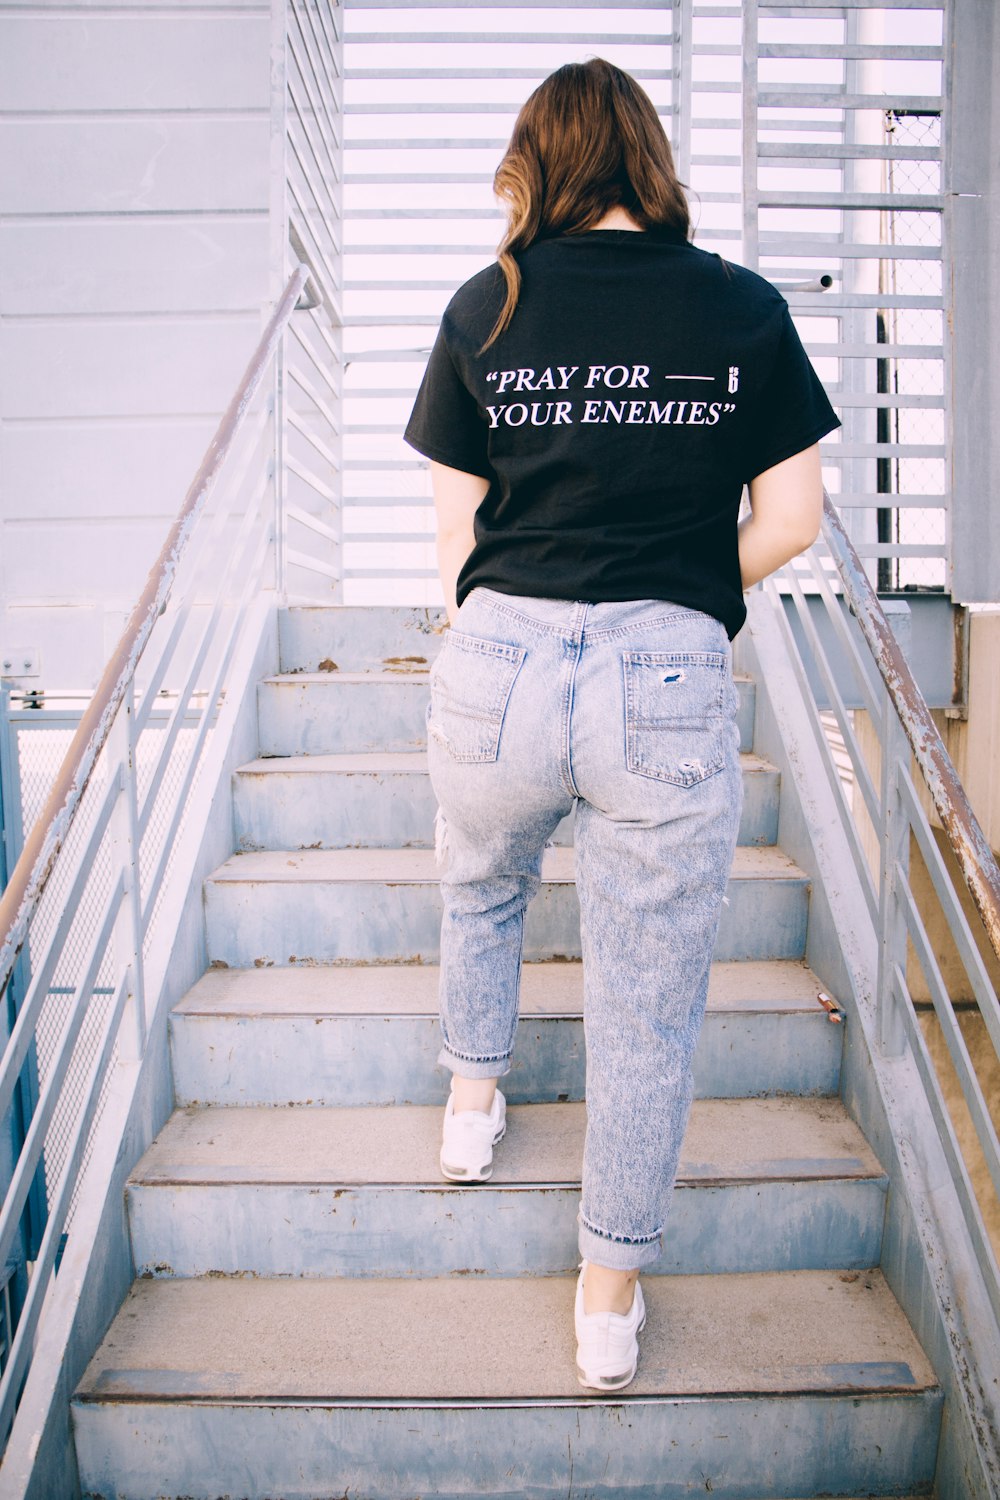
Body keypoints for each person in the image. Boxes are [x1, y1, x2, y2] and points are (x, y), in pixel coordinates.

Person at [403, 58, 840, 1393]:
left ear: (539, 161)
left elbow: (456, 539)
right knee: (646, 1003)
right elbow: (796, 519)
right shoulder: (742, 307)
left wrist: (503, 635)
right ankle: (606, 1302)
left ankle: (473, 1109)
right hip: (664, 667)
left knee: (480, 883)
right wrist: (691, 592)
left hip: (503, 651)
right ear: (647, 159)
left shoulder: (492, 301)